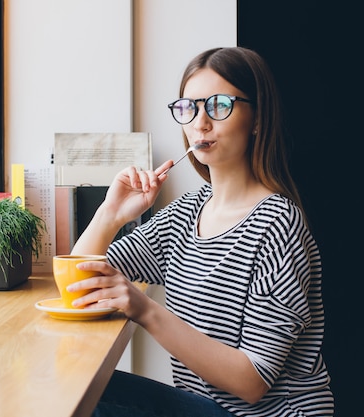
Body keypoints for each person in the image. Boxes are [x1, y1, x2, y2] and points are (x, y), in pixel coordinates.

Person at [69, 46, 334, 417]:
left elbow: (253, 381)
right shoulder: (188, 211)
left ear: (257, 118)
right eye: (189, 107)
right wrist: (110, 214)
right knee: (74, 385)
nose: (200, 122)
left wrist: (144, 309)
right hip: (207, 408)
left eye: (219, 105)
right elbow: (79, 280)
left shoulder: (278, 224)